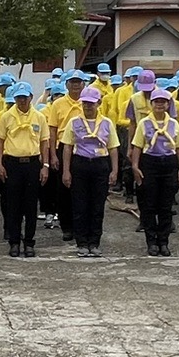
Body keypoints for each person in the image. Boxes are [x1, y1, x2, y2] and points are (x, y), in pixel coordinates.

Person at [0, 80, 47, 258]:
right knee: (13, 205)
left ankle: (29, 242)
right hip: (12, 164)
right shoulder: (6, 116)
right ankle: (14, 242)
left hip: (32, 164)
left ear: (31, 97)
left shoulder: (39, 117)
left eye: (24, 97)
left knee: (31, 206)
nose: (22, 101)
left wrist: (45, 166)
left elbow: (44, 142)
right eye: (18, 98)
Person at [127, 84, 179, 257]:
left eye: (163, 102)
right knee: (149, 204)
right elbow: (137, 146)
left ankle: (163, 242)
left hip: (168, 163)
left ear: (168, 104)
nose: (160, 105)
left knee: (166, 205)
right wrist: (135, 166)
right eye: (156, 101)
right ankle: (151, 241)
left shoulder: (173, 123)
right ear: (151, 104)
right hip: (149, 163)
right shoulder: (144, 123)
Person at [64, 84, 116, 256]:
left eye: (91, 103)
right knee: (80, 205)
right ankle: (81, 242)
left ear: (98, 103)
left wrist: (114, 170)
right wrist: (66, 171)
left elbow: (113, 148)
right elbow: (67, 147)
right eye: (85, 103)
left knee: (97, 205)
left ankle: (94, 242)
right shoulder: (74, 122)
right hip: (80, 164)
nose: (87, 106)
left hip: (100, 165)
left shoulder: (107, 123)